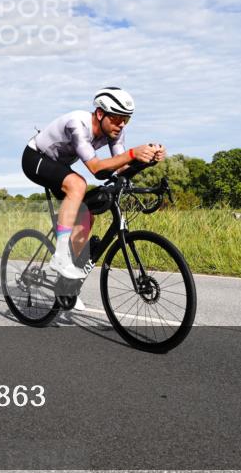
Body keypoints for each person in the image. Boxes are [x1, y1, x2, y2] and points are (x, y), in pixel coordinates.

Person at [21, 87, 166, 309]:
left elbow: (119, 167)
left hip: (59, 166)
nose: (121, 125)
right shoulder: (77, 124)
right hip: (35, 159)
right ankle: (60, 256)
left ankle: (65, 286)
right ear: (100, 114)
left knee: (87, 214)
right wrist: (132, 154)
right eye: (117, 118)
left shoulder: (116, 132)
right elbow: (97, 169)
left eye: (126, 120)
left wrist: (146, 160)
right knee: (78, 183)